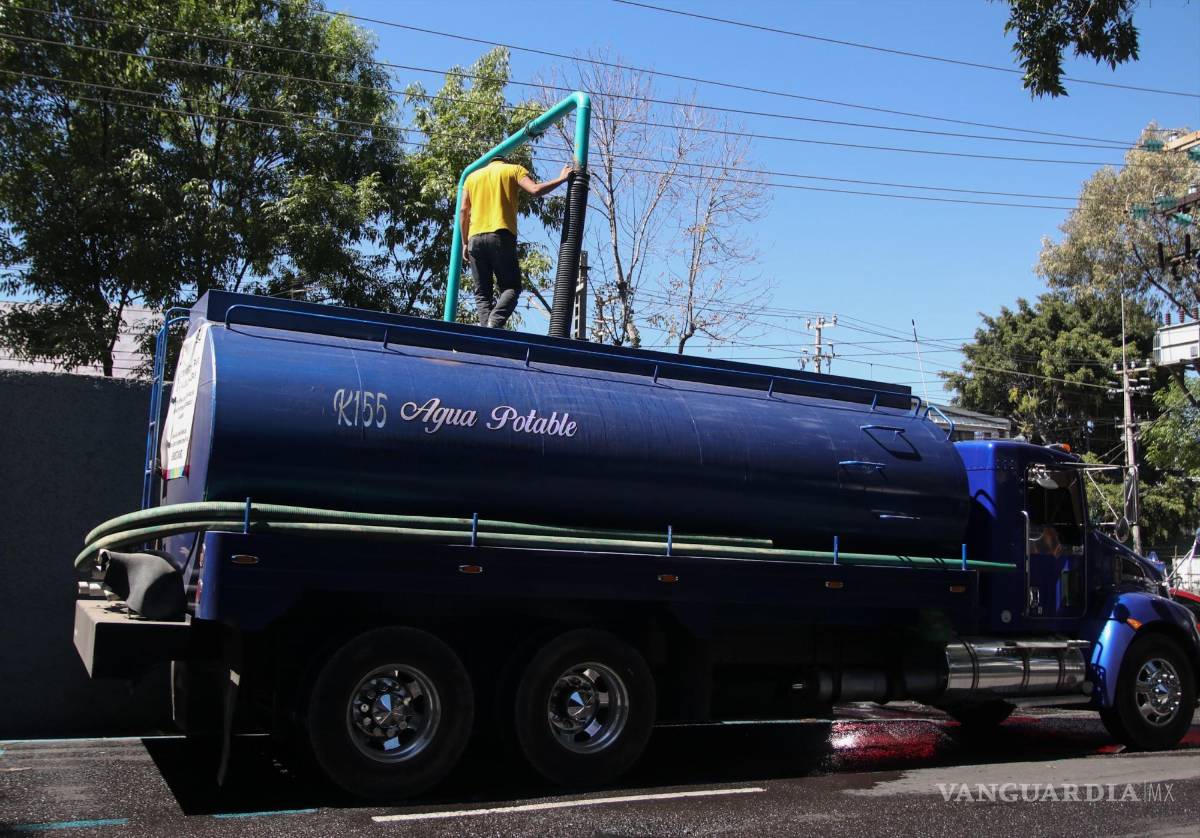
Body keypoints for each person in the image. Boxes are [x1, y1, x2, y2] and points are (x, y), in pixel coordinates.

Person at [460, 157, 574, 328]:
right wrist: (561, 178)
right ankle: (494, 322)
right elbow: (535, 190)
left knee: (482, 293)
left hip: (474, 238)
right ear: (505, 161)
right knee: (511, 287)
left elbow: (463, 211)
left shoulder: (472, 177)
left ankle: (486, 334)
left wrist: (465, 243)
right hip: (500, 235)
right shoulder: (513, 170)